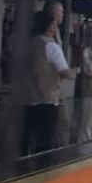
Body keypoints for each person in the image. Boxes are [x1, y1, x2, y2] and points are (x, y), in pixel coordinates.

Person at [23, 8, 73, 154]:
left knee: (25, 140)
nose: (57, 27)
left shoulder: (28, 44)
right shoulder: (51, 45)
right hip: (47, 99)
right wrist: (73, 73)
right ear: (50, 26)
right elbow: (64, 72)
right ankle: (42, 170)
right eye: (55, 24)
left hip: (26, 99)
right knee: (44, 141)